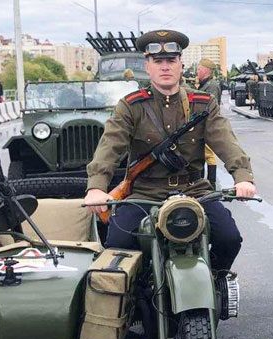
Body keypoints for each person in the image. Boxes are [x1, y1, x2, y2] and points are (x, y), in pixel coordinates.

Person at [84, 29, 255, 275]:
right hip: (145, 193)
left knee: (229, 237)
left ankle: (215, 281)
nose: (165, 66)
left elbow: (226, 141)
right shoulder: (131, 106)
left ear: (180, 64)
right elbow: (110, 145)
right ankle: (137, 291)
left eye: (171, 60)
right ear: (148, 66)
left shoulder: (202, 103)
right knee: (118, 242)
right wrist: (96, 187)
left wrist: (243, 178)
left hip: (194, 191)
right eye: (158, 61)